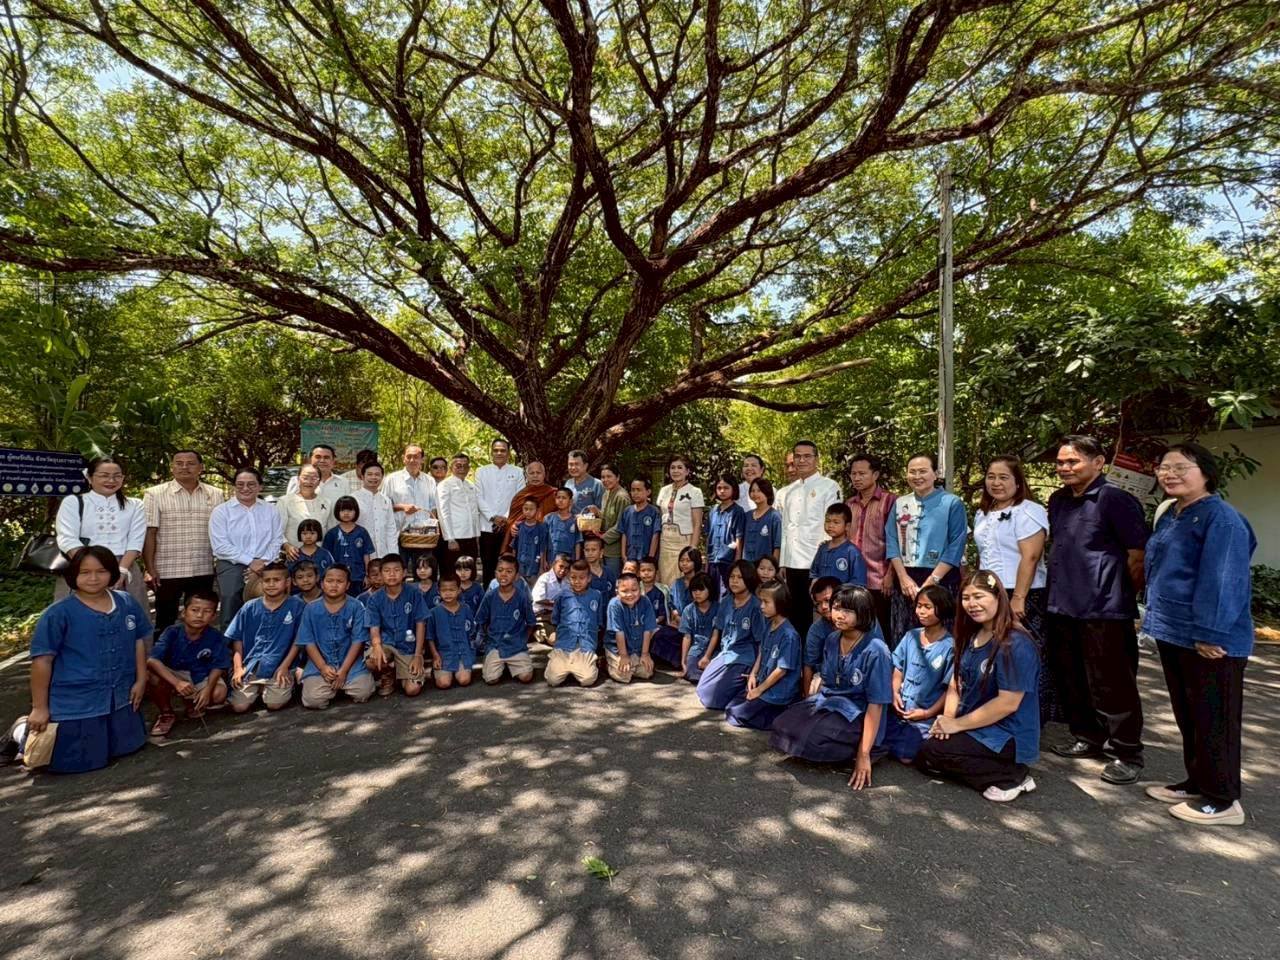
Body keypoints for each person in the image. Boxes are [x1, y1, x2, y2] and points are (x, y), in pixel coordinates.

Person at [1142, 443, 1256, 826]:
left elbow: (1223, 581)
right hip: (1175, 632)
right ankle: (1197, 782)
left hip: (1210, 639)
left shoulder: (1221, 519)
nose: (1169, 473)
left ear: (1205, 472)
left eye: (1180, 467)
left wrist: (1210, 634)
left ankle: (1223, 801)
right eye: (1163, 467)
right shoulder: (1172, 514)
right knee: (1190, 714)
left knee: (1215, 717)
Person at [1045, 435, 1148, 785]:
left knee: (1113, 682)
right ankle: (1087, 737)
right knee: (1072, 677)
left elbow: (1137, 556)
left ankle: (1127, 751)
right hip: (1062, 605)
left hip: (1105, 609)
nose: (1064, 468)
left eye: (1072, 461)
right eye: (1060, 462)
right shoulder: (1058, 500)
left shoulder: (1115, 500)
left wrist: (1119, 594)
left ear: (1098, 462)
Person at [916, 570, 1041, 802]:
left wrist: (957, 725)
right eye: (966, 597)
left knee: (935, 752)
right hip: (975, 725)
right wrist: (947, 720)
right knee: (924, 754)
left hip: (1006, 733)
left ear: (997, 597)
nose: (971, 604)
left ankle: (1012, 776)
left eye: (979, 596)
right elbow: (956, 683)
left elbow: (1008, 703)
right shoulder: (970, 635)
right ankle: (987, 768)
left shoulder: (1015, 643)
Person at [26, 546, 151, 774]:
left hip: (120, 697)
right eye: (84, 572)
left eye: (101, 571)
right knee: (81, 762)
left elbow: (138, 641)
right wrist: (39, 707)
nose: (93, 578)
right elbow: (42, 661)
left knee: (129, 747)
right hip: (77, 701)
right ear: (73, 575)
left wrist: (141, 680)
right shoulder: (58, 614)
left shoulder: (126, 603)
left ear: (112, 573)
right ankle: (21, 730)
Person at [768, 585, 892, 791]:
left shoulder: (876, 650)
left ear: (863, 613)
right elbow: (827, 681)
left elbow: (876, 704)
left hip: (858, 713)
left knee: (813, 740)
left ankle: (867, 748)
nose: (839, 615)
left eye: (847, 611)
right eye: (836, 608)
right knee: (782, 725)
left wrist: (864, 755)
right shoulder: (833, 639)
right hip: (830, 702)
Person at [973, 455, 1056, 722]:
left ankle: (1032, 717)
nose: (996, 483)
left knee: (1025, 653)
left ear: (1018, 482)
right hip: (990, 592)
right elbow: (985, 554)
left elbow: (1030, 557)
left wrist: (1019, 597)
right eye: (991, 476)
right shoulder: (983, 512)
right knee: (994, 653)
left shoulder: (1029, 510)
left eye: (1003, 477)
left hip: (1022, 593)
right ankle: (995, 712)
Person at [884, 453, 967, 647]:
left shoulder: (952, 503)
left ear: (935, 474)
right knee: (903, 632)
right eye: (912, 472)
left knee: (941, 633)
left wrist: (932, 581)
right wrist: (902, 577)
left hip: (942, 577)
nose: (917, 476)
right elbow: (891, 540)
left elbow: (956, 544)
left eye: (923, 471)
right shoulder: (900, 503)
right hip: (906, 579)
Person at [142, 450, 225, 634]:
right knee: (165, 620)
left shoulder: (216, 494)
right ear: (172, 467)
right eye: (179, 463)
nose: (184, 467)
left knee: (201, 617)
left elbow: (221, 531)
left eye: (190, 463)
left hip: (203, 567)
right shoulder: (154, 494)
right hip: (167, 568)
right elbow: (150, 532)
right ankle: (162, 659)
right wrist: (150, 567)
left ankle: (198, 658)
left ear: (201, 468)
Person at [54, 456, 148, 611]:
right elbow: (67, 538)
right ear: (89, 478)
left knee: (128, 617)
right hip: (82, 566)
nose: (111, 480)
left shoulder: (135, 505)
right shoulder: (73, 502)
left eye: (117, 476)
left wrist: (121, 572)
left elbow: (136, 541)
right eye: (104, 475)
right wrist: (93, 570)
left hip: (124, 566)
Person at [882, 585, 956, 763]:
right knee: (877, 736)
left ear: (943, 608)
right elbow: (898, 667)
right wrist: (894, 692)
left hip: (925, 716)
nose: (921, 611)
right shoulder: (911, 636)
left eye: (928, 607)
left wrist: (927, 712)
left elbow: (950, 690)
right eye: (919, 606)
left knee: (906, 755)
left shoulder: (950, 646)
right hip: (900, 710)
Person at [777, 441, 842, 635]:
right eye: (798, 456)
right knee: (795, 615)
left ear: (816, 459)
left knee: (821, 614)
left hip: (815, 561)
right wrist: (782, 562)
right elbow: (786, 529)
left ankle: (817, 662)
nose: (802, 460)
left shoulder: (829, 487)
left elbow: (833, 527)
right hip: (792, 562)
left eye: (807, 456)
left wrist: (824, 561)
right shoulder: (788, 491)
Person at [209, 467, 285, 632]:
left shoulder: (270, 510)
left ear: (260, 487)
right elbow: (220, 546)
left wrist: (263, 562)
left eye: (251, 484)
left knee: (268, 605)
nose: (245, 488)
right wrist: (250, 562)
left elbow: (277, 539)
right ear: (234, 486)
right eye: (240, 484)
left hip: (266, 563)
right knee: (231, 604)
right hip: (232, 564)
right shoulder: (221, 512)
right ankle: (229, 649)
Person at [145, 591, 230, 737]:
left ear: (214, 616)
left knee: (218, 694)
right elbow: (152, 660)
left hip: (200, 675)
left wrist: (208, 689)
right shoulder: (172, 632)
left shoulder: (215, 636)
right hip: (175, 674)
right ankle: (166, 713)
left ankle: (192, 704)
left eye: (207, 611)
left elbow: (219, 666)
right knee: (151, 675)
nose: (199, 615)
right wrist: (177, 683)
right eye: (194, 610)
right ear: (184, 613)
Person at [225, 561, 305, 713]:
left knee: (274, 704)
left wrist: (285, 666)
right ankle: (258, 688)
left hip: (279, 666)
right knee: (239, 707)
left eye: (277, 580)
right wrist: (237, 668)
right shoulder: (249, 607)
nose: (271, 584)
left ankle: (282, 687)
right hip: (251, 665)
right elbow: (236, 638)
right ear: (261, 582)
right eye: (267, 581)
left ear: (287, 582)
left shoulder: (297, 606)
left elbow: (299, 640)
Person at [725, 581, 802, 731]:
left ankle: (778, 717)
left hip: (777, 691)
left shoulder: (789, 635)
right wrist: (753, 674)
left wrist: (759, 690)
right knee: (730, 706)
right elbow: (762, 651)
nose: (761, 606)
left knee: (736, 714)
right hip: (763, 683)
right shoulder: (769, 624)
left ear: (780, 603)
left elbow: (782, 670)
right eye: (761, 601)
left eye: (766, 602)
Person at [298, 565, 375, 708]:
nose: (334, 585)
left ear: (347, 585)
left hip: (350, 663)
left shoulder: (356, 606)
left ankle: (339, 685)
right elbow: (308, 641)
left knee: (363, 692)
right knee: (313, 700)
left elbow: (358, 640)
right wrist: (322, 667)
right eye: (329, 581)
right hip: (321, 662)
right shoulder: (311, 609)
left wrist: (344, 670)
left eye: (339, 581)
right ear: (322, 584)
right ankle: (328, 684)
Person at [696, 560, 767, 710]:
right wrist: (707, 656)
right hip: (726, 653)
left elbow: (762, 642)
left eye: (740, 577)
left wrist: (756, 670)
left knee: (713, 699)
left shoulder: (755, 606)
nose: (734, 581)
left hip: (744, 658)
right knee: (702, 690)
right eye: (732, 577)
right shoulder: (727, 601)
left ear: (748, 579)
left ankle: (744, 688)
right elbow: (717, 629)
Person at [846, 454, 897, 641]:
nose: (857, 478)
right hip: (853, 580)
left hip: (880, 580)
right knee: (855, 629)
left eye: (862, 473)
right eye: (853, 474)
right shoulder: (849, 504)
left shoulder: (891, 501)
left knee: (881, 630)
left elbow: (897, 541)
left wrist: (890, 575)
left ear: (875, 475)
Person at [364, 554, 429, 697]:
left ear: (405, 572)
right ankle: (388, 674)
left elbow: (420, 623)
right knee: (372, 661)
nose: (392, 574)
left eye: (396, 570)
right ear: (381, 574)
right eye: (387, 571)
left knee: (412, 690)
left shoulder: (414, 593)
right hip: (386, 643)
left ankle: (402, 672)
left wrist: (418, 655)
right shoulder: (374, 599)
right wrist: (376, 646)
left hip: (408, 647)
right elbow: (374, 627)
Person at [477, 555, 536, 685]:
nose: (504, 574)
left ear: (516, 576)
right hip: (495, 645)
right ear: (495, 573)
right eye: (500, 570)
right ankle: (497, 663)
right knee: (491, 679)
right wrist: (489, 638)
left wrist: (523, 639)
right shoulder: (490, 596)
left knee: (526, 676)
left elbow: (531, 622)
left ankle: (512, 664)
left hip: (516, 645)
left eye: (509, 571)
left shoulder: (521, 596)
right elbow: (482, 620)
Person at [545, 561, 603, 687]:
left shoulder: (596, 596)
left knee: (587, 680)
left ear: (589, 578)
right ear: (568, 577)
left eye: (581, 578)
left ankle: (586, 664)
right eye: (573, 577)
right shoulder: (562, 596)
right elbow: (555, 620)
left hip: (585, 645)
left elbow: (599, 623)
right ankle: (562, 666)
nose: (577, 581)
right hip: (564, 644)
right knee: (552, 680)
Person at [382, 444, 439, 571]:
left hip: (424, 537)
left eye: (416, 457)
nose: (412, 460)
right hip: (399, 534)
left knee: (423, 574)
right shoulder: (392, 479)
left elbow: (433, 508)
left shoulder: (429, 480)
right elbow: (383, 506)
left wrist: (433, 528)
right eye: (409, 457)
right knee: (398, 572)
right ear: (404, 458)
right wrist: (402, 507)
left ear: (422, 460)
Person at [475, 439, 525, 583]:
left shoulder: (517, 472)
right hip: (486, 525)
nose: (499, 453)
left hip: (509, 526)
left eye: (503, 450)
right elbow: (478, 496)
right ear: (491, 452)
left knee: (508, 563)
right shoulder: (481, 471)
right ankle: (488, 597)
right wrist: (492, 517)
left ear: (508, 453)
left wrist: (506, 518)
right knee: (488, 564)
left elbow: (519, 497)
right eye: (496, 450)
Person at [656, 455, 705, 585]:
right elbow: (662, 515)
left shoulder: (695, 492)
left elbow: (697, 523)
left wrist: (693, 548)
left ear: (687, 471)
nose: (675, 471)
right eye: (672, 468)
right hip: (665, 539)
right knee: (665, 577)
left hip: (683, 540)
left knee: (682, 577)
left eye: (679, 467)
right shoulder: (664, 490)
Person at [437, 453, 485, 575]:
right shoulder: (445, 485)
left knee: (469, 573)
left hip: (471, 537)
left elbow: (474, 511)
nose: (462, 468)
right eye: (458, 465)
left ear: (469, 468)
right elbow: (443, 512)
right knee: (452, 574)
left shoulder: (471, 485)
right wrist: (450, 538)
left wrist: (477, 536)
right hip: (454, 538)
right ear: (452, 467)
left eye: (465, 465)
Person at [605, 572, 657, 683]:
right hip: (618, 648)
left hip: (637, 648)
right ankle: (608, 662)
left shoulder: (645, 602)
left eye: (634, 590)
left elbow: (648, 630)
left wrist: (645, 654)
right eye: (624, 591)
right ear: (617, 591)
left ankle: (633, 663)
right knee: (624, 676)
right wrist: (623, 656)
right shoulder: (614, 604)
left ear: (640, 589)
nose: (630, 595)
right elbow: (619, 632)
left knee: (647, 673)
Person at [498, 460, 560, 552]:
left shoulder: (554, 493)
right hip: (524, 539)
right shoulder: (520, 496)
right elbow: (512, 519)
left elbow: (561, 515)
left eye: (538, 473)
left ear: (544, 475)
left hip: (547, 538)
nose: (535, 476)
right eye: (531, 473)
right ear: (526, 476)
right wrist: (512, 526)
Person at [427, 573, 476, 689]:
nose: (448, 593)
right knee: (444, 684)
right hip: (444, 655)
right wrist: (435, 656)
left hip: (463, 653)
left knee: (464, 680)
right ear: (438, 591)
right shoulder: (434, 612)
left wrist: (471, 652)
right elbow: (430, 637)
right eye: (444, 590)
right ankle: (437, 672)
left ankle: (463, 668)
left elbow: (472, 632)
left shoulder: (466, 609)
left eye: (452, 590)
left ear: (459, 590)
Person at [322, 496, 375, 594]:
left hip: (358, 577)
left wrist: (367, 575)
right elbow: (327, 557)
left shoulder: (362, 532)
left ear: (356, 512)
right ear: (337, 512)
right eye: (342, 510)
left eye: (350, 510)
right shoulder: (332, 533)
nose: (346, 513)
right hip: (337, 579)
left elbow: (366, 555)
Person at [277, 465, 333, 555]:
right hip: (294, 555)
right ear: (298, 479)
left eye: (314, 478)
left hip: (319, 555)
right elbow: (277, 530)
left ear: (319, 482)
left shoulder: (326, 502)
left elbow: (330, 530)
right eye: (305, 477)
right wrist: (287, 546)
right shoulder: (285, 502)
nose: (309, 482)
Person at [801, 576, 842, 697]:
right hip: (826, 678)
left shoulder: (862, 620)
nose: (823, 607)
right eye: (818, 604)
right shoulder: (816, 630)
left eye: (827, 600)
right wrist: (808, 700)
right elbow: (808, 665)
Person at [809, 503, 867, 588]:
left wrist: (840, 592)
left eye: (836, 522)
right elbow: (814, 573)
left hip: (842, 599)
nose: (831, 525)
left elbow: (859, 583)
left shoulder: (852, 552)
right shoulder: (823, 548)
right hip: (822, 599)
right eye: (828, 521)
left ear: (847, 526)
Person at [707, 474, 747, 592]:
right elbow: (709, 536)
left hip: (728, 559)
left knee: (727, 592)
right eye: (719, 488)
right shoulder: (713, 511)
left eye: (726, 488)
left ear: (733, 489)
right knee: (712, 592)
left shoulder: (737, 511)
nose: (722, 491)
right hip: (713, 559)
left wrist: (737, 561)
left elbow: (739, 537)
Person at [354, 461, 400, 559]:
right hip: (359, 553)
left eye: (377, 475)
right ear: (362, 476)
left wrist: (393, 555)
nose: (373, 477)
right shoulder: (353, 499)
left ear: (382, 477)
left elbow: (390, 529)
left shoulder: (386, 500)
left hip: (383, 553)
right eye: (369, 474)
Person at [675, 574, 716, 682]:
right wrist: (683, 662)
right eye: (694, 590)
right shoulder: (688, 610)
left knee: (717, 670)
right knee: (690, 671)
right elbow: (687, 637)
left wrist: (707, 656)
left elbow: (715, 635)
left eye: (701, 589)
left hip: (715, 650)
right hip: (695, 650)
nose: (697, 593)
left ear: (710, 590)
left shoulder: (718, 608)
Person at [618, 477, 661, 568]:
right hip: (630, 556)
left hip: (646, 556)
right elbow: (624, 533)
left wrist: (651, 557)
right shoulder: (627, 511)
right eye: (633, 490)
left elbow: (655, 535)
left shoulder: (653, 511)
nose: (635, 493)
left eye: (639, 490)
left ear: (648, 492)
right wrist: (623, 555)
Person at [597, 463, 631, 578]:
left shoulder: (622, 497)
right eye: (603, 477)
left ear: (618, 477)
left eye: (609, 476)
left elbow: (622, 524)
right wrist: (597, 513)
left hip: (615, 549)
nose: (605, 480)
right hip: (603, 547)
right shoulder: (606, 493)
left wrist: (603, 537)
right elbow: (606, 517)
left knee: (613, 579)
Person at [532, 553, 573, 643]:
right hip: (542, 615)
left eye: (566, 568)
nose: (563, 570)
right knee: (556, 640)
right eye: (561, 566)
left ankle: (541, 634)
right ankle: (538, 630)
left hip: (558, 616)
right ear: (554, 564)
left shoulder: (567, 582)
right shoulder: (544, 579)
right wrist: (556, 604)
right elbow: (539, 601)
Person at [743, 478, 782, 565]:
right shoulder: (747, 516)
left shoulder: (774, 516)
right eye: (752, 490)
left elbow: (777, 545)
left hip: (765, 567)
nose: (755, 494)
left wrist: (773, 566)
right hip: (747, 566)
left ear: (767, 492)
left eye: (759, 490)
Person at [510, 497, 549, 584]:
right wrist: (513, 566)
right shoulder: (519, 526)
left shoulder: (541, 527)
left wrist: (542, 567)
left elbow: (543, 548)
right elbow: (514, 548)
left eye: (531, 509)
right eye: (525, 509)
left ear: (537, 510)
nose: (528, 512)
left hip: (534, 566)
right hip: (520, 566)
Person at [669, 546, 707, 623]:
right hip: (678, 623)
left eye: (688, 561)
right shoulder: (676, 583)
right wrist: (677, 616)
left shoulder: (703, 581)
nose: (684, 564)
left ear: (695, 561)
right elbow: (672, 605)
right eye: (682, 560)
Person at [544, 487, 582, 562]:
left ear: (570, 501)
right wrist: (544, 561)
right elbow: (544, 541)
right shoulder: (548, 518)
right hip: (552, 558)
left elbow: (578, 542)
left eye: (564, 498)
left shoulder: (575, 520)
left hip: (570, 559)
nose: (560, 500)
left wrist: (577, 561)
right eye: (558, 497)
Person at [564, 450, 604, 516]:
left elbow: (602, 511)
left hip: (588, 524)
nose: (573, 468)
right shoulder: (568, 483)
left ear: (585, 466)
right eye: (570, 464)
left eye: (577, 464)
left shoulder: (597, 484)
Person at [582, 535, 616, 601]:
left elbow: (613, 596)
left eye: (593, 550)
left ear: (601, 552)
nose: (590, 553)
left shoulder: (609, 572)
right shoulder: (582, 573)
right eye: (587, 550)